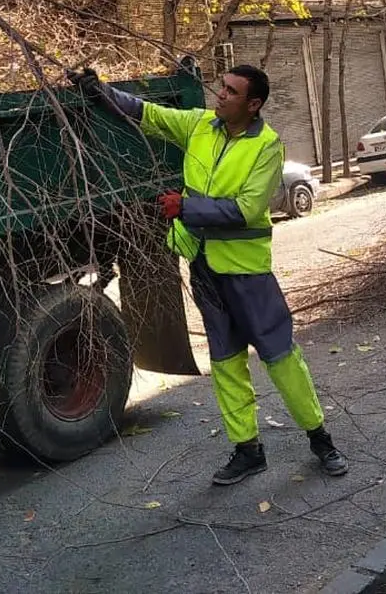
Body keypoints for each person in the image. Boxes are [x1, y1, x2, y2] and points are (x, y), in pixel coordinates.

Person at [74, 64, 348, 484]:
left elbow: (246, 209)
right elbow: (147, 114)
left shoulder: (267, 147)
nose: (220, 95)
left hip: (247, 274)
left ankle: (320, 439)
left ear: (253, 104)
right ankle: (247, 450)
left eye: (231, 92)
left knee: (281, 359)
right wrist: (100, 92)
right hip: (204, 267)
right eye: (222, 88)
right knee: (225, 360)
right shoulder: (201, 125)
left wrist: (185, 208)